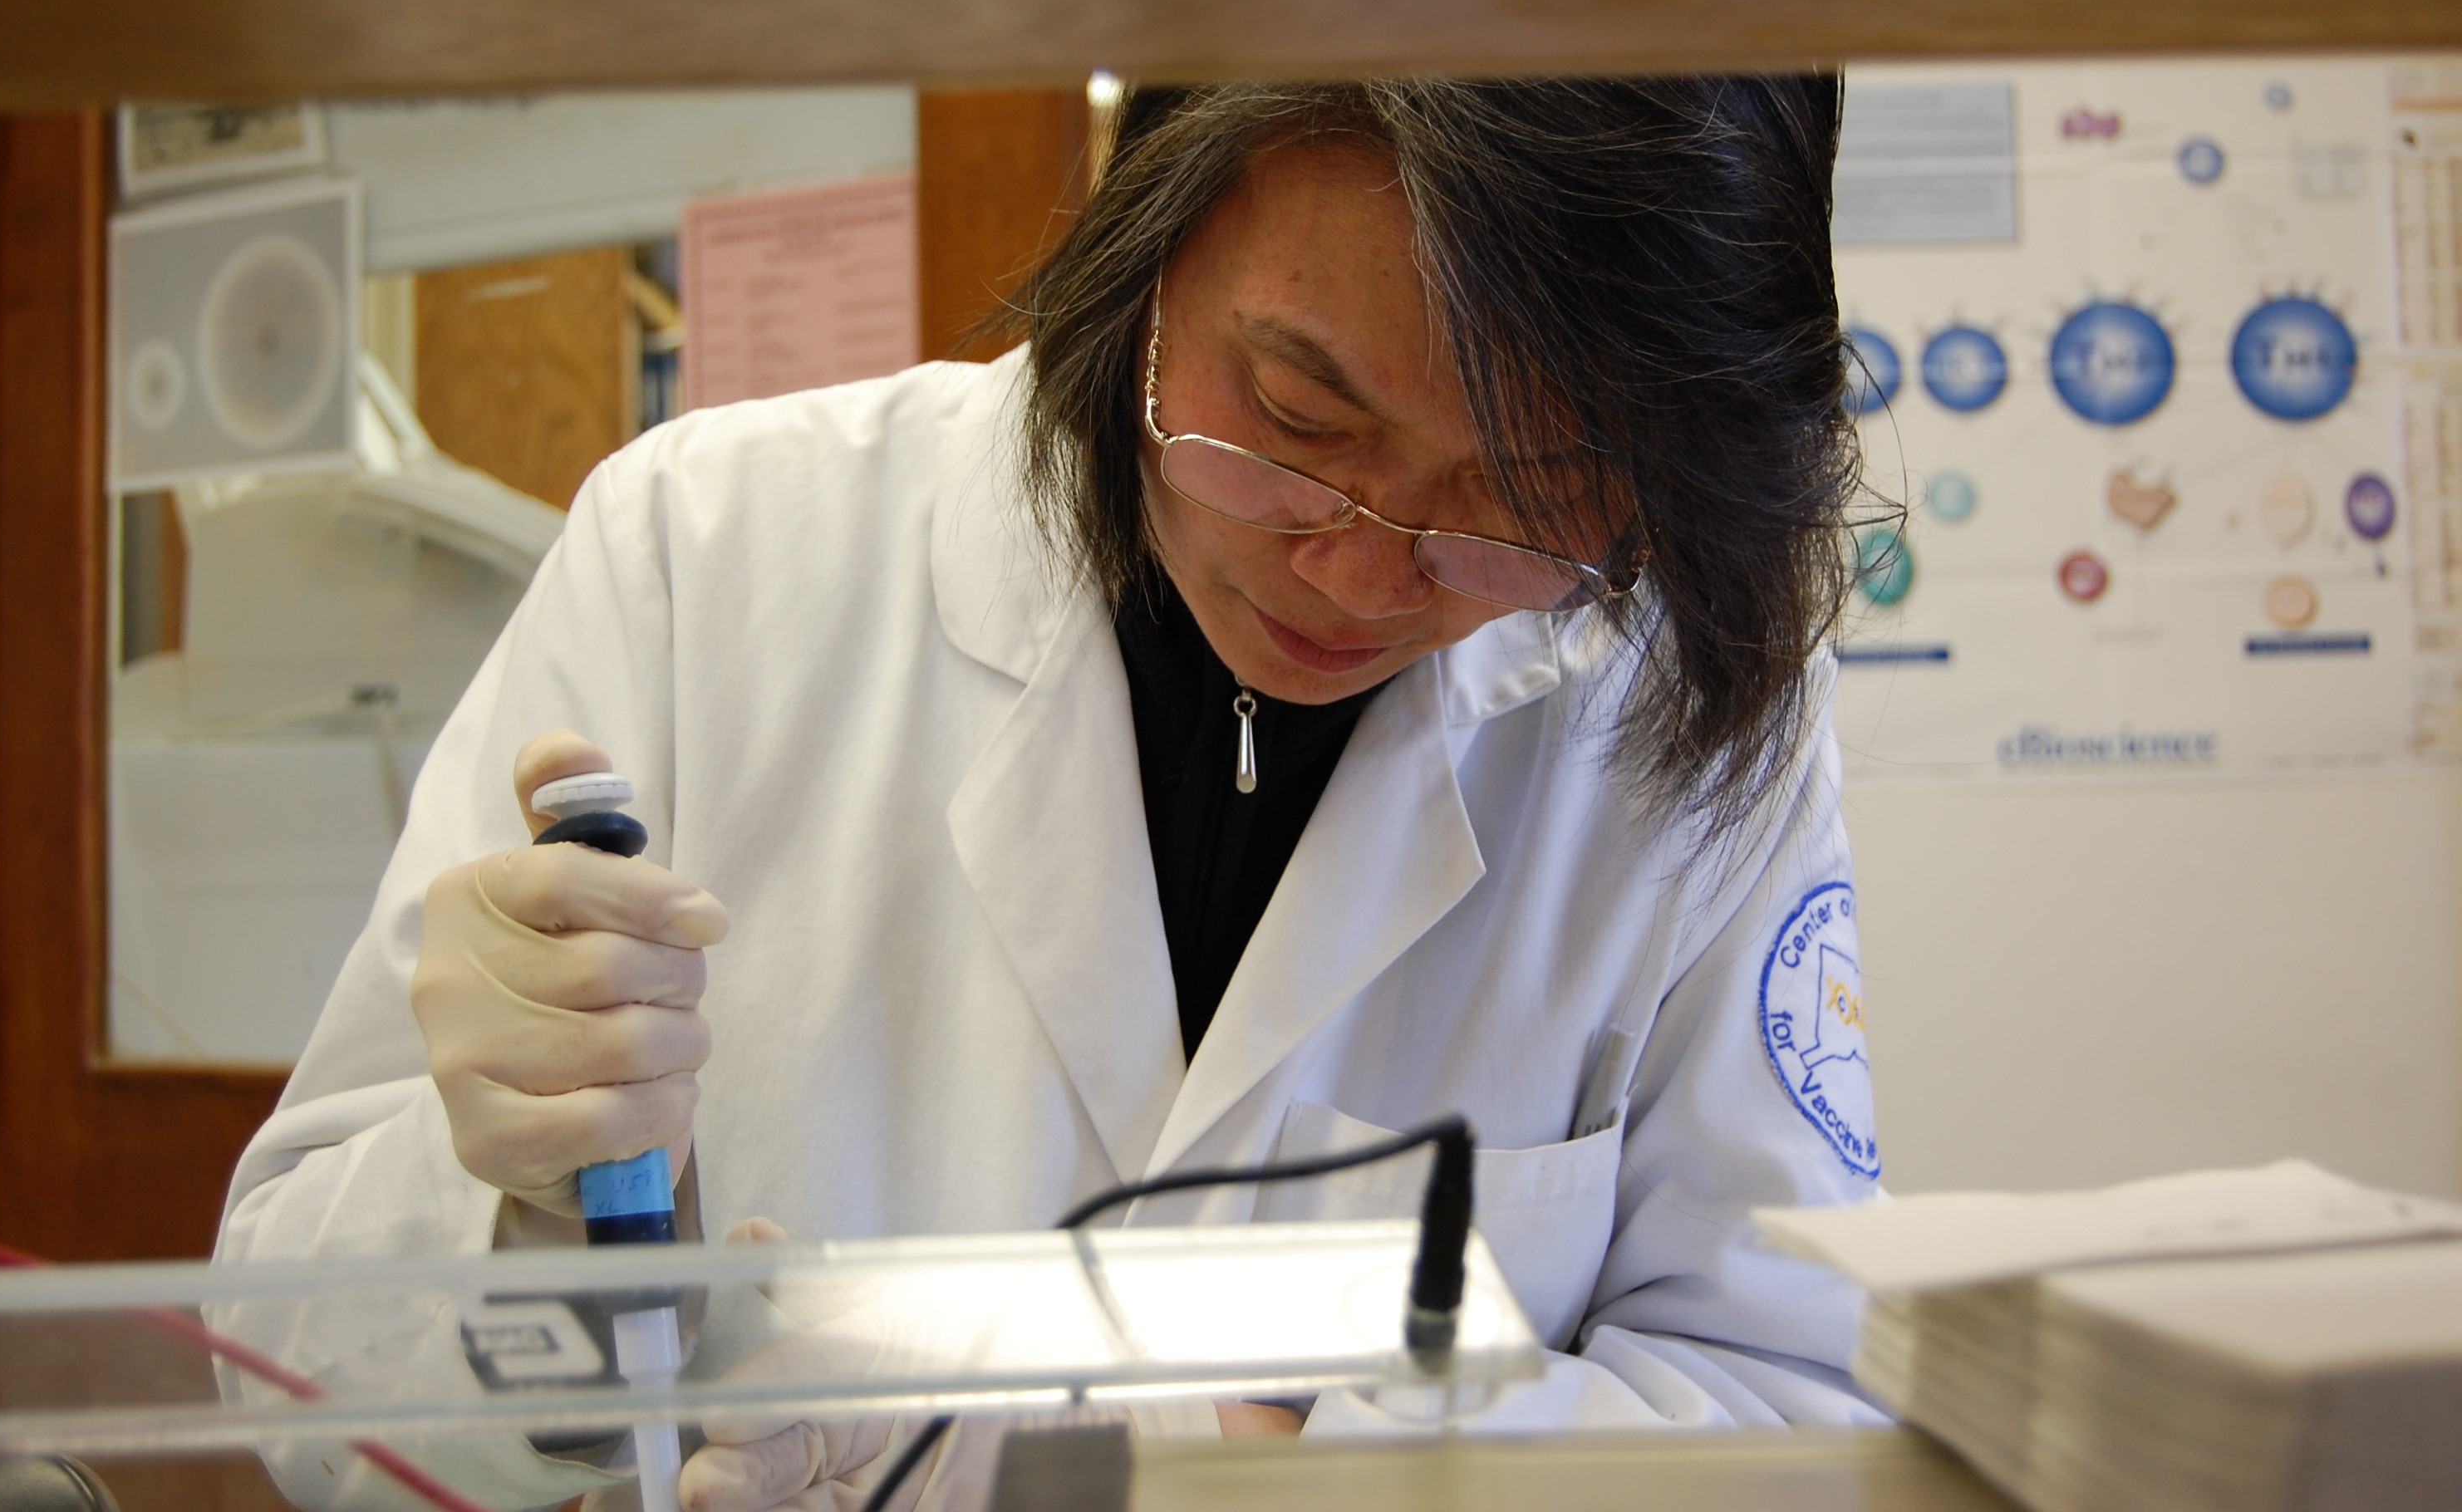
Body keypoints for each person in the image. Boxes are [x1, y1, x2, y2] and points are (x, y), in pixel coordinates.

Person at [219, 78, 1886, 1510]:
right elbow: (284, 1365)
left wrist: (1242, 1450)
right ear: (1144, 235)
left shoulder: (1681, 707)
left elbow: (1793, 1411)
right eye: (1297, 420)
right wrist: (524, 1211)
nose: (1364, 569)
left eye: (1525, 502)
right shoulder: (709, 554)